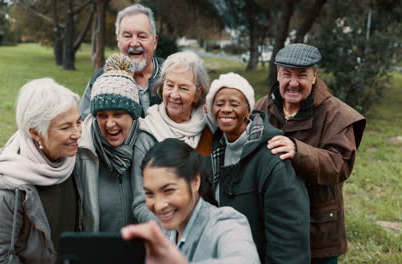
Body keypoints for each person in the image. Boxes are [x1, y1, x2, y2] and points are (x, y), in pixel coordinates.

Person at [255, 43, 366, 264]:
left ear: (315, 77)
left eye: (302, 76)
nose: (293, 83)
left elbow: (340, 164)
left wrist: (298, 150)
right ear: (278, 75)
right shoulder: (261, 108)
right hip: (273, 222)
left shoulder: (337, 114)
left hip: (318, 225)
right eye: (286, 74)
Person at [205, 72, 310, 263]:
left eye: (234, 104)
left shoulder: (272, 158)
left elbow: (289, 238)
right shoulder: (212, 152)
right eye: (219, 104)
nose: (225, 109)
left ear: (248, 111)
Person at [0, 78, 82, 263]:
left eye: (78, 122)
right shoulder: (8, 188)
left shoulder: (73, 162)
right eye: (66, 127)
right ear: (35, 133)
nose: (77, 134)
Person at [123, 138, 260, 263]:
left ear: (195, 181)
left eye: (168, 190)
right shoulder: (163, 230)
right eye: (150, 194)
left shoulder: (225, 223)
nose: (159, 206)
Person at [133, 50, 212, 223]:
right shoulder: (147, 135)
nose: (174, 94)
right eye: (169, 85)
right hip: (164, 234)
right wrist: (173, 231)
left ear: (198, 92)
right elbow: (140, 204)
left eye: (183, 88)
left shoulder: (210, 131)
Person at [73, 53, 149, 232]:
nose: (109, 124)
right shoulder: (82, 150)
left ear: (133, 114)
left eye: (118, 114)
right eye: (102, 115)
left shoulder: (149, 143)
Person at [79, 3, 162, 119]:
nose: (134, 43)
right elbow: (84, 123)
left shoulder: (171, 74)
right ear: (118, 41)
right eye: (127, 36)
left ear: (154, 41)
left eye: (142, 36)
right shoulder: (100, 80)